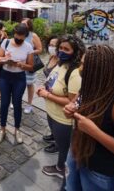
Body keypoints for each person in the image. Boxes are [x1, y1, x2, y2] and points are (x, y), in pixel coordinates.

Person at [64, 45, 114, 191]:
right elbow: (74, 104)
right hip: (77, 156)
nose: (79, 68)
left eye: (84, 65)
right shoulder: (89, 88)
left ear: (98, 71)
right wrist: (69, 109)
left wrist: (95, 132)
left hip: (102, 173)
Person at [36, 35, 85, 179]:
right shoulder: (60, 64)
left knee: (64, 147)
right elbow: (52, 81)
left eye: (66, 49)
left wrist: (47, 95)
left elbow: (72, 102)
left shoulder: (74, 73)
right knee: (59, 142)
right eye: (61, 48)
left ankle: (60, 169)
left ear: (75, 52)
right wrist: (45, 87)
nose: (62, 51)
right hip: (52, 113)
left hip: (63, 119)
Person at [0, 24, 34, 144]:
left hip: (19, 77)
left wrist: (22, 65)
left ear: (25, 36)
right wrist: (5, 59)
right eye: (17, 35)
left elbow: (31, 66)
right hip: (5, 76)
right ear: (14, 33)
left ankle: (17, 129)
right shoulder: (6, 42)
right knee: (4, 103)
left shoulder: (28, 46)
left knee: (17, 103)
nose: (18, 38)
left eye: (21, 36)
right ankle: (2, 129)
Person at [42, 35, 60, 154]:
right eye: (50, 45)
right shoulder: (51, 57)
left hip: (56, 94)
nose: (51, 47)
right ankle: (54, 135)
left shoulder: (61, 60)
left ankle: (58, 144)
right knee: (50, 116)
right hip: (47, 92)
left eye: (54, 45)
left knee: (57, 118)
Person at [21, 18, 43, 114]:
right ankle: (17, 101)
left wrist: (29, 52)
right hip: (20, 64)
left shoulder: (33, 35)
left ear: (29, 25)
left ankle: (29, 105)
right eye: (21, 24)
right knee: (19, 84)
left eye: (25, 24)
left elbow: (40, 49)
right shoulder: (20, 34)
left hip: (30, 63)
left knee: (29, 84)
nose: (23, 26)